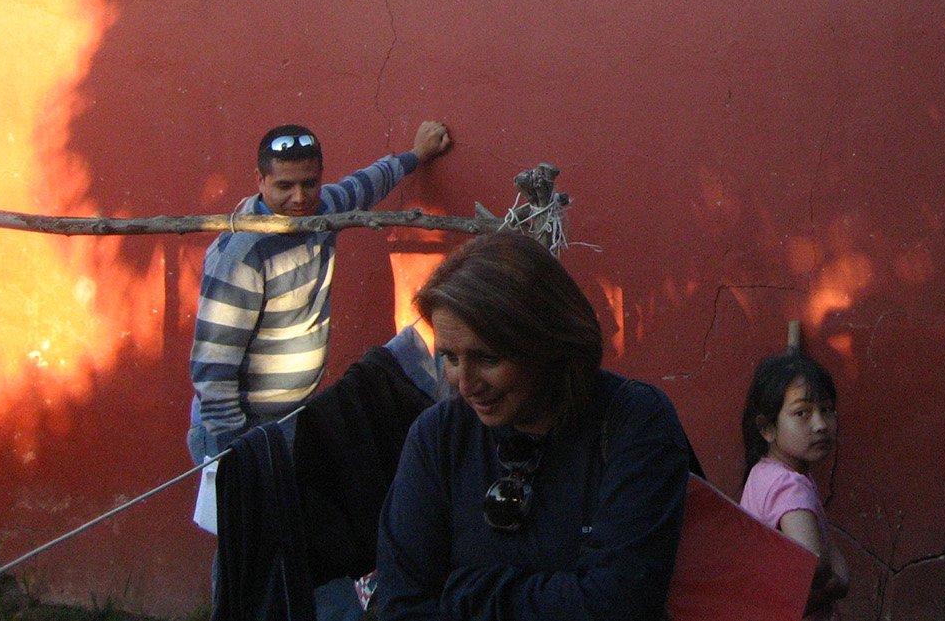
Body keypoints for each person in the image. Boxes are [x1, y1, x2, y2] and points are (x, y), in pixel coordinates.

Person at [375, 231, 692, 621]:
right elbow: (402, 603)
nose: (465, 383)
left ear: (547, 343)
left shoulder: (635, 422)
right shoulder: (438, 437)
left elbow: (617, 602)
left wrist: (466, 592)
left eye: (487, 358)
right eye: (449, 357)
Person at [188, 119, 453, 462]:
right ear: (260, 180)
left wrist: (417, 154)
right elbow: (214, 367)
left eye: (309, 184)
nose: (299, 198)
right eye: (284, 186)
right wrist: (236, 450)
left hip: (293, 417)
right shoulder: (240, 254)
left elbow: (366, 184)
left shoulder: (322, 211)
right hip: (241, 431)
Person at [738, 352, 848, 621]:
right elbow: (812, 564)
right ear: (767, 428)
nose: (820, 425)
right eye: (802, 413)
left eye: (826, 410)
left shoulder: (762, 472)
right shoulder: (789, 486)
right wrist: (839, 582)